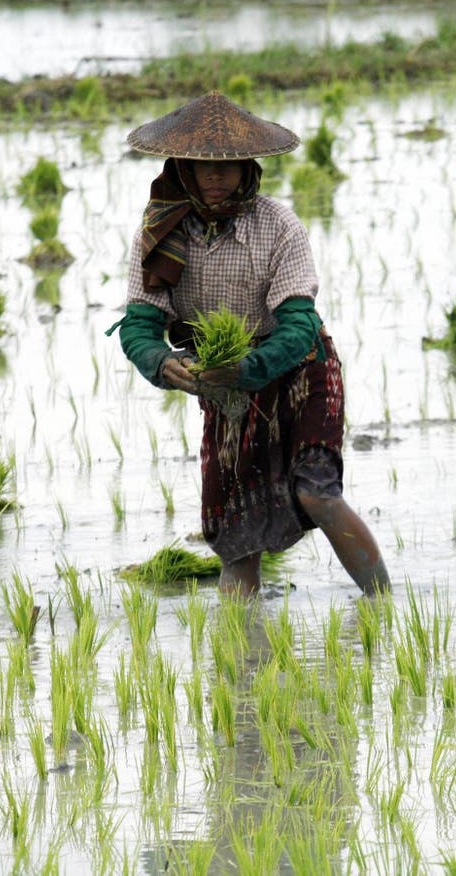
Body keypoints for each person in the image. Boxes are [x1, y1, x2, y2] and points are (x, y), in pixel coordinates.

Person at [112, 92, 389, 598]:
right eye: (201, 167)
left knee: (316, 492)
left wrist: (249, 367)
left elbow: (299, 323)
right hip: (224, 382)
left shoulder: (278, 226)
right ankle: (240, 657)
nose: (214, 177)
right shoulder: (158, 233)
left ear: (248, 167)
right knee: (235, 529)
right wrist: (161, 362)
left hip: (299, 368)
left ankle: (386, 609)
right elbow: (138, 324)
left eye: (228, 166)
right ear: (182, 168)